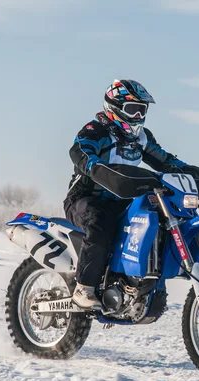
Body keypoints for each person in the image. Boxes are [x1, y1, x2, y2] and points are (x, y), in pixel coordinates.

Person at [64, 79, 188, 309]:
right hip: (85, 199)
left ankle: (134, 284)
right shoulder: (96, 129)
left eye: (142, 109)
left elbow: (163, 160)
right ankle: (84, 288)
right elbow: (79, 150)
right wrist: (94, 166)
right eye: (133, 109)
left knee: (152, 218)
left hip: (119, 201)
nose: (138, 115)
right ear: (114, 107)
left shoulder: (141, 138)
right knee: (100, 222)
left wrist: (187, 171)